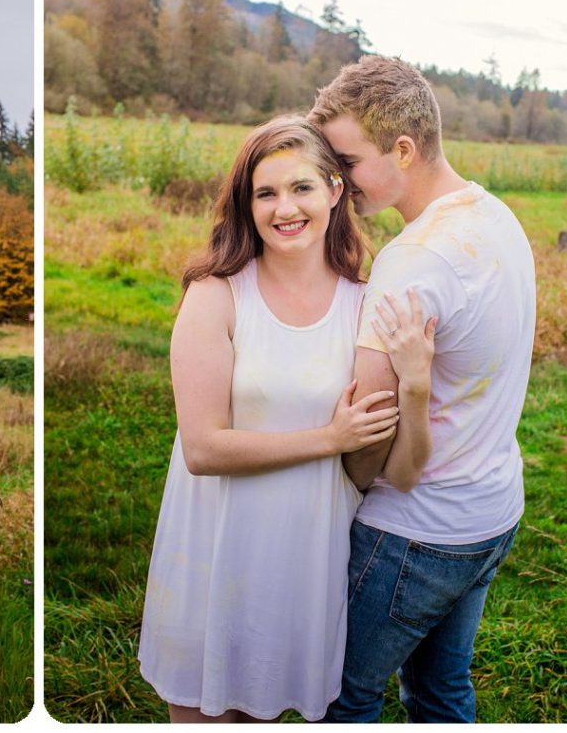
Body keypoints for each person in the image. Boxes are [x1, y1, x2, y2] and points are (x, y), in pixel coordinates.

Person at [137, 116, 434, 723]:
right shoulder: (217, 294)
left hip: (302, 555)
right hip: (215, 548)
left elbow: (364, 466)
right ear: (246, 206)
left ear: (334, 190)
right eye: (265, 193)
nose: (284, 208)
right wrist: (329, 436)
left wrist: (413, 384)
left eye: (301, 187)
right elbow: (203, 448)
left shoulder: (364, 304)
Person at [309, 55, 535, 723]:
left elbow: (366, 449)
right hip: (493, 512)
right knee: (441, 693)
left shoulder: (412, 261)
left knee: (338, 699)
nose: (337, 183)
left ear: (402, 149)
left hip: (416, 533)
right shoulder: (496, 217)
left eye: (346, 163)